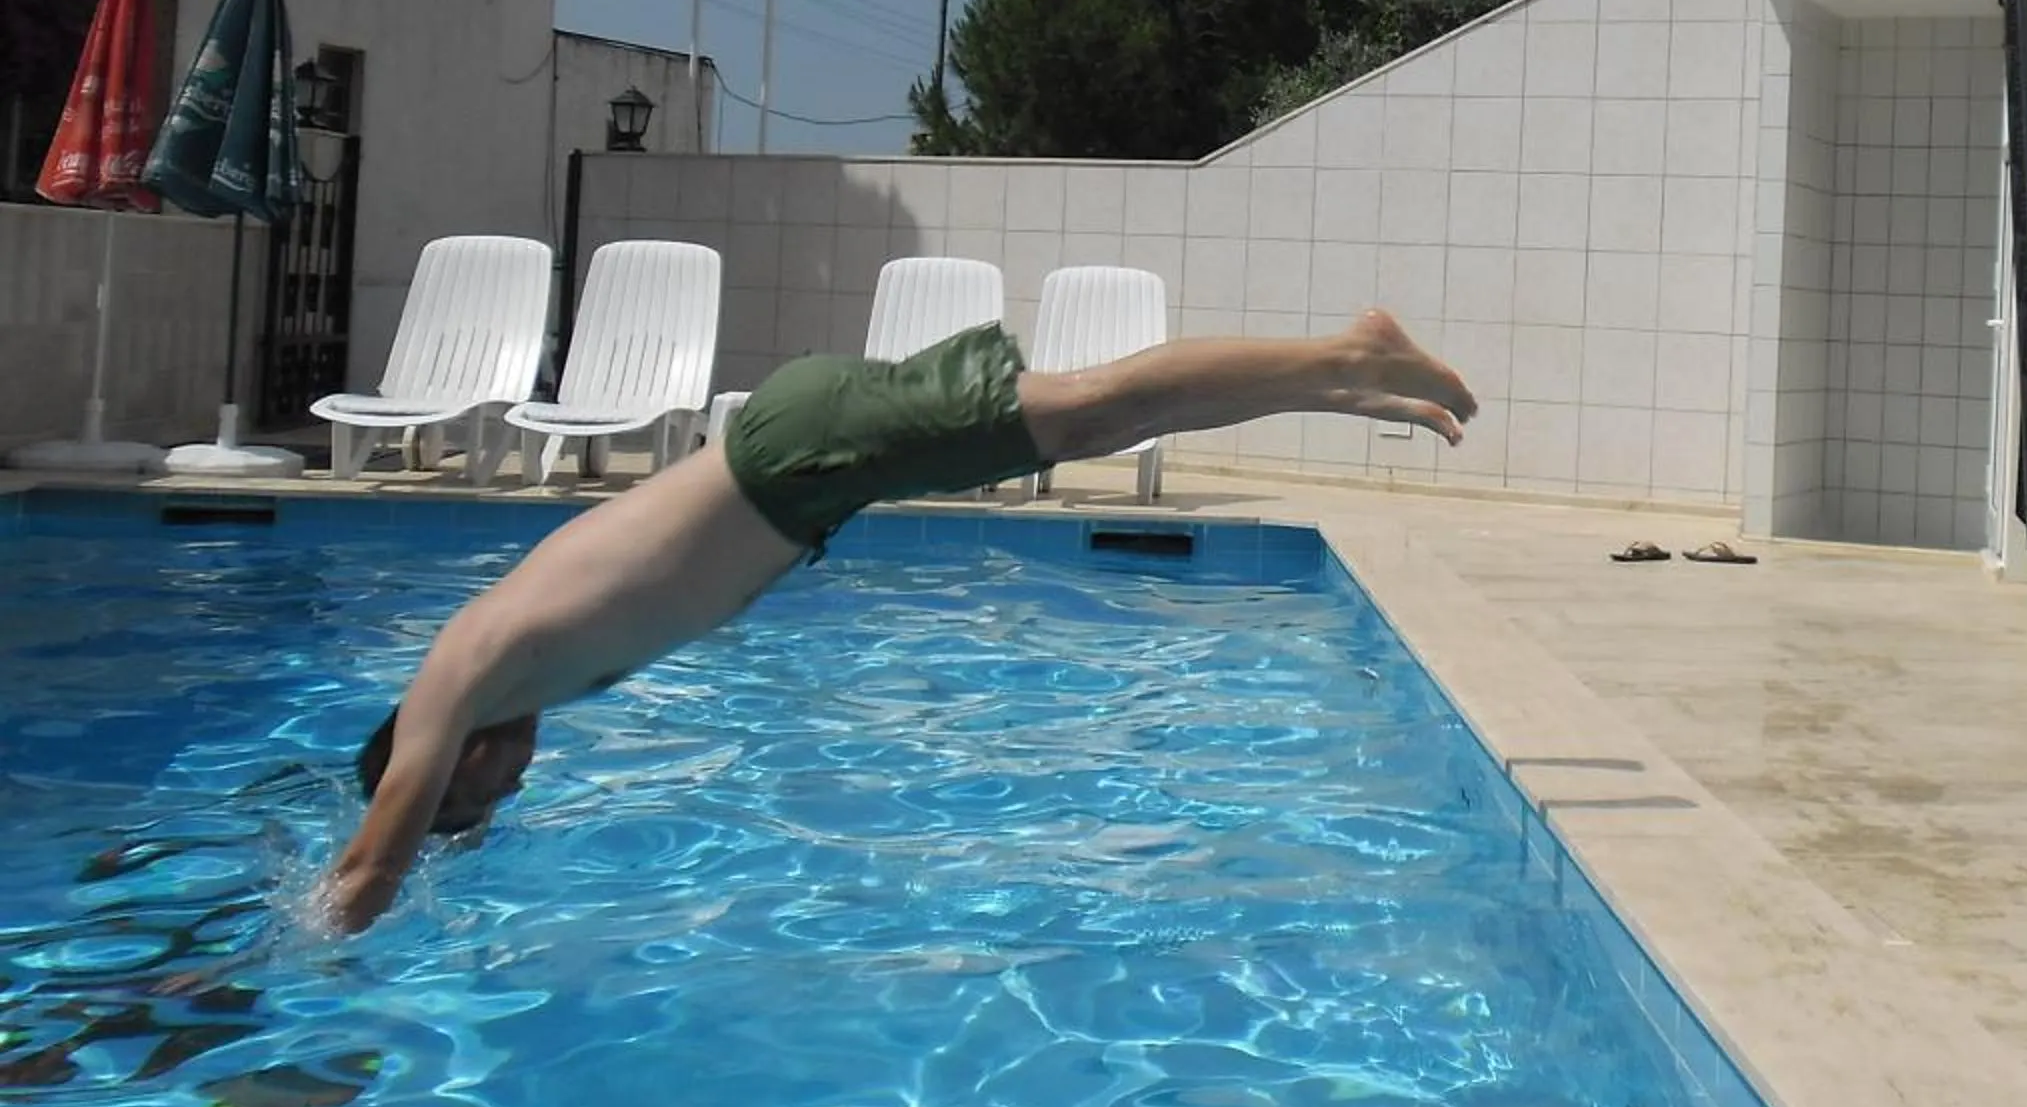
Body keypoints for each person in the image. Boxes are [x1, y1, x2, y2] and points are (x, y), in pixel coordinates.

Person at [324, 309, 1475, 931]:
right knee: (1090, 419)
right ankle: (1337, 378)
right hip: (808, 478)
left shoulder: (456, 677)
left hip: (798, 457)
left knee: (1081, 412)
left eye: (480, 792)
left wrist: (293, 968)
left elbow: (373, 865)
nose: (512, 787)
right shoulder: (511, 681)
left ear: (444, 760)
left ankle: (1344, 351)